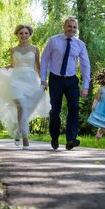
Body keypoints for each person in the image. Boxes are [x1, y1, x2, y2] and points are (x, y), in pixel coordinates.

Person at [0, 24, 50, 150]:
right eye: (21, 33)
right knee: (21, 105)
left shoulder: (35, 49)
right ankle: (25, 139)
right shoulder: (13, 50)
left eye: (26, 33)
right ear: (17, 35)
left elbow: (37, 66)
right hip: (16, 80)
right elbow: (12, 65)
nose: (23, 35)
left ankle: (18, 131)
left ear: (30, 35)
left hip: (30, 80)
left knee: (26, 109)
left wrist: (44, 81)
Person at [40, 17, 91, 150]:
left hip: (71, 80)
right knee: (55, 110)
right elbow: (44, 60)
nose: (72, 29)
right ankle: (55, 137)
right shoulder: (53, 41)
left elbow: (85, 66)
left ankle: (71, 139)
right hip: (56, 79)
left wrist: (85, 86)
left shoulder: (80, 44)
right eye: (69, 26)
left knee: (74, 108)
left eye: (74, 27)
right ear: (63, 26)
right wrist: (43, 79)